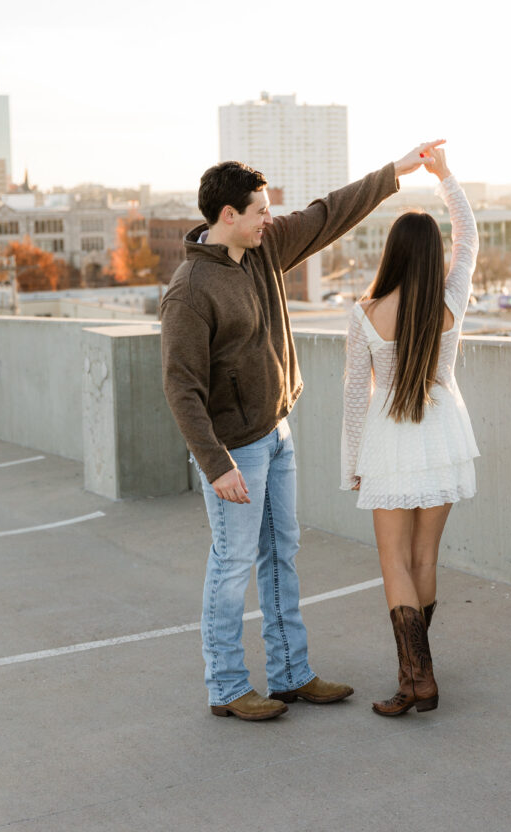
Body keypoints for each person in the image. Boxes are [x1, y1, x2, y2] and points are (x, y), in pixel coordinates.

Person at [160, 141, 437, 721]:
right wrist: (216, 465)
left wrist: (394, 172)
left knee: (281, 555)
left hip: (275, 432)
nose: (270, 218)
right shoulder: (189, 292)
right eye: (259, 210)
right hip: (234, 450)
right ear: (227, 216)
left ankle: (290, 673)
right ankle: (228, 687)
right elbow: (181, 389)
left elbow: (326, 213)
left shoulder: (264, 249)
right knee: (232, 563)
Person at [340, 141, 480, 717]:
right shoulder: (452, 299)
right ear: (434, 255)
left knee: (393, 561)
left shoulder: (366, 312)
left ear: (393, 254)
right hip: (443, 432)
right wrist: (445, 176)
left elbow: (355, 396)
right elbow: (469, 236)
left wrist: (352, 463)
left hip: (391, 437)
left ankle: (413, 679)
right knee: (425, 558)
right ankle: (422, 676)